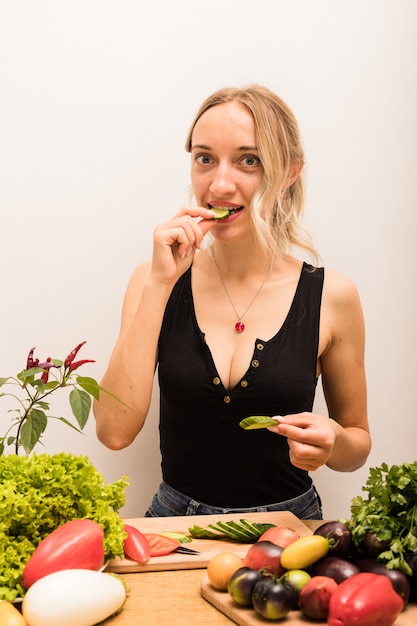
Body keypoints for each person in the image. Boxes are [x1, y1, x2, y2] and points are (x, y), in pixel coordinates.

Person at [93, 84, 371, 520]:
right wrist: (161, 285)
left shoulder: (332, 295)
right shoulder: (154, 280)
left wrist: (334, 439)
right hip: (175, 524)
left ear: (290, 172)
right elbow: (113, 432)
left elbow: (357, 445)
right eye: (205, 158)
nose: (220, 184)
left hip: (289, 526)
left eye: (249, 160)